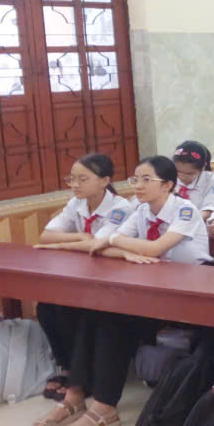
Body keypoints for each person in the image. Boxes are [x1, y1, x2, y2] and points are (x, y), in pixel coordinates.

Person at [29, 157, 210, 426]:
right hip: (153, 291)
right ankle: (76, 397)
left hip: (193, 295)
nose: (138, 185)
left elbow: (153, 248)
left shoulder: (184, 210)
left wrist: (115, 241)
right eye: (135, 179)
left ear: (167, 185)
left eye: (146, 180)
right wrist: (122, 249)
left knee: (114, 322)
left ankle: (103, 407)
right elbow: (98, 247)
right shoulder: (141, 211)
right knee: (97, 313)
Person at [33, 153, 135, 403]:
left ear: (104, 181)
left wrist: (68, 243)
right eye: (72, 179)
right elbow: (47, 235)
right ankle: (68, 369)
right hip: (81, 273)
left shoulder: (121, 208)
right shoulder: (76, 203)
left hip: (112, 277)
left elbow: (97, 245)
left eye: (83, 179)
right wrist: (79, 237)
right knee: (46, 307)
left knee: (72, 310)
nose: (75, 185)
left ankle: (84, 377)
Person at [171, 141, 214, 219]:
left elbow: (211, 207)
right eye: (178, 172)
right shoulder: (168, 178)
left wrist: (189, 221)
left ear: (203, 168)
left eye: (189, 174)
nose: (182, 177)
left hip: (200, 222)